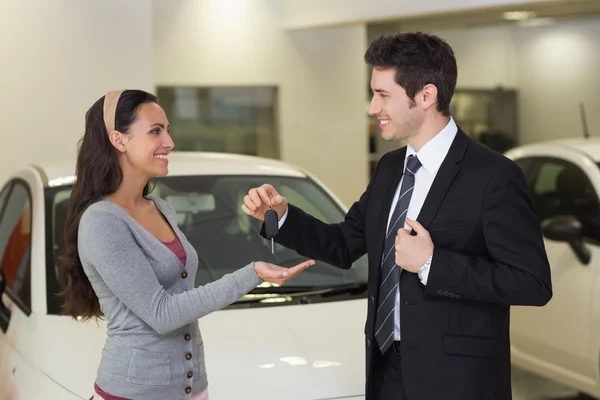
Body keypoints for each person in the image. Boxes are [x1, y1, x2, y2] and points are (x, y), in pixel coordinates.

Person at [241, 32, 552, 400]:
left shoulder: (494, 176)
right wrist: (284, 214)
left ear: (426, 95)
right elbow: (344, 244)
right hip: (386, 371)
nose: (373, 108)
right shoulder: (390, 168)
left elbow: (532, 283)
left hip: (458, 382)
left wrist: (432, 264)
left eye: (383, 95)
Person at [57, 89, 314, 400]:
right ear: (118, 140)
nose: (169, 142)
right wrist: (253, 273)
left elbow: (182, 294)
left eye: (167, 130)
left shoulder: (161, 208)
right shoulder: (101, 222)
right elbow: (162, 313)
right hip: (135, 392)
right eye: (156, 131)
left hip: (192, 389)